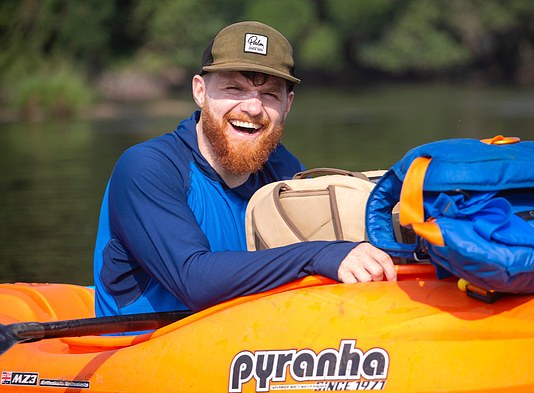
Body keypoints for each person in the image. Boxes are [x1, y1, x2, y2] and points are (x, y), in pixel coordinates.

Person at [93, 21, 395, 317]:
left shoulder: (281, 168)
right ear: (200, 91)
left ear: (287, 104)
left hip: (243, 348)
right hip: (142, 350)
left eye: (269, 94)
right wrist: (319, 254)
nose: (252, 108)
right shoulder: (148, 168)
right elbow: (193, 280)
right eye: (234, 89)